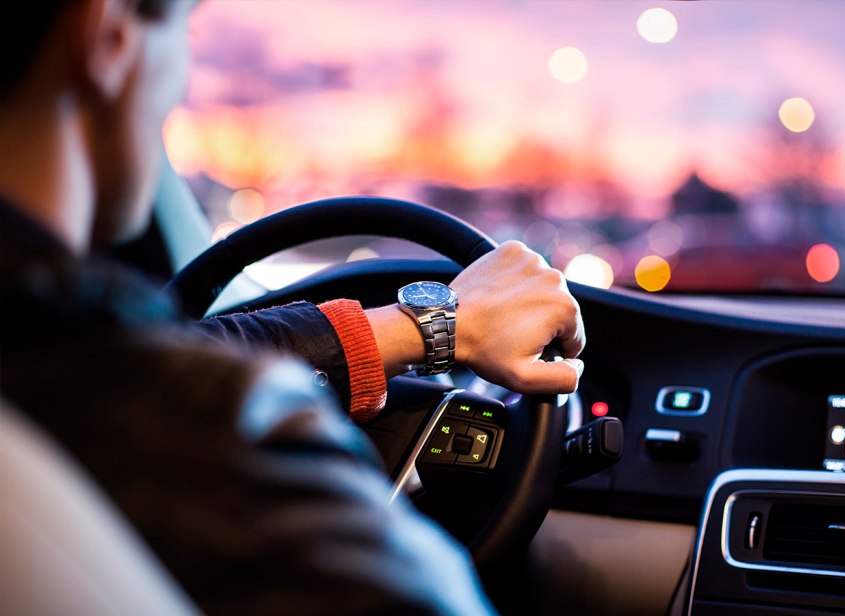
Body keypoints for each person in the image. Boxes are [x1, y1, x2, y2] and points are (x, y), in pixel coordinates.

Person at [0, 1, 585, 614]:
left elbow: (168, 353)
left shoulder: (67, 368)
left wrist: (425, 328)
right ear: (112, 37)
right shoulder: (220, 436)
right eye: (185, 33)